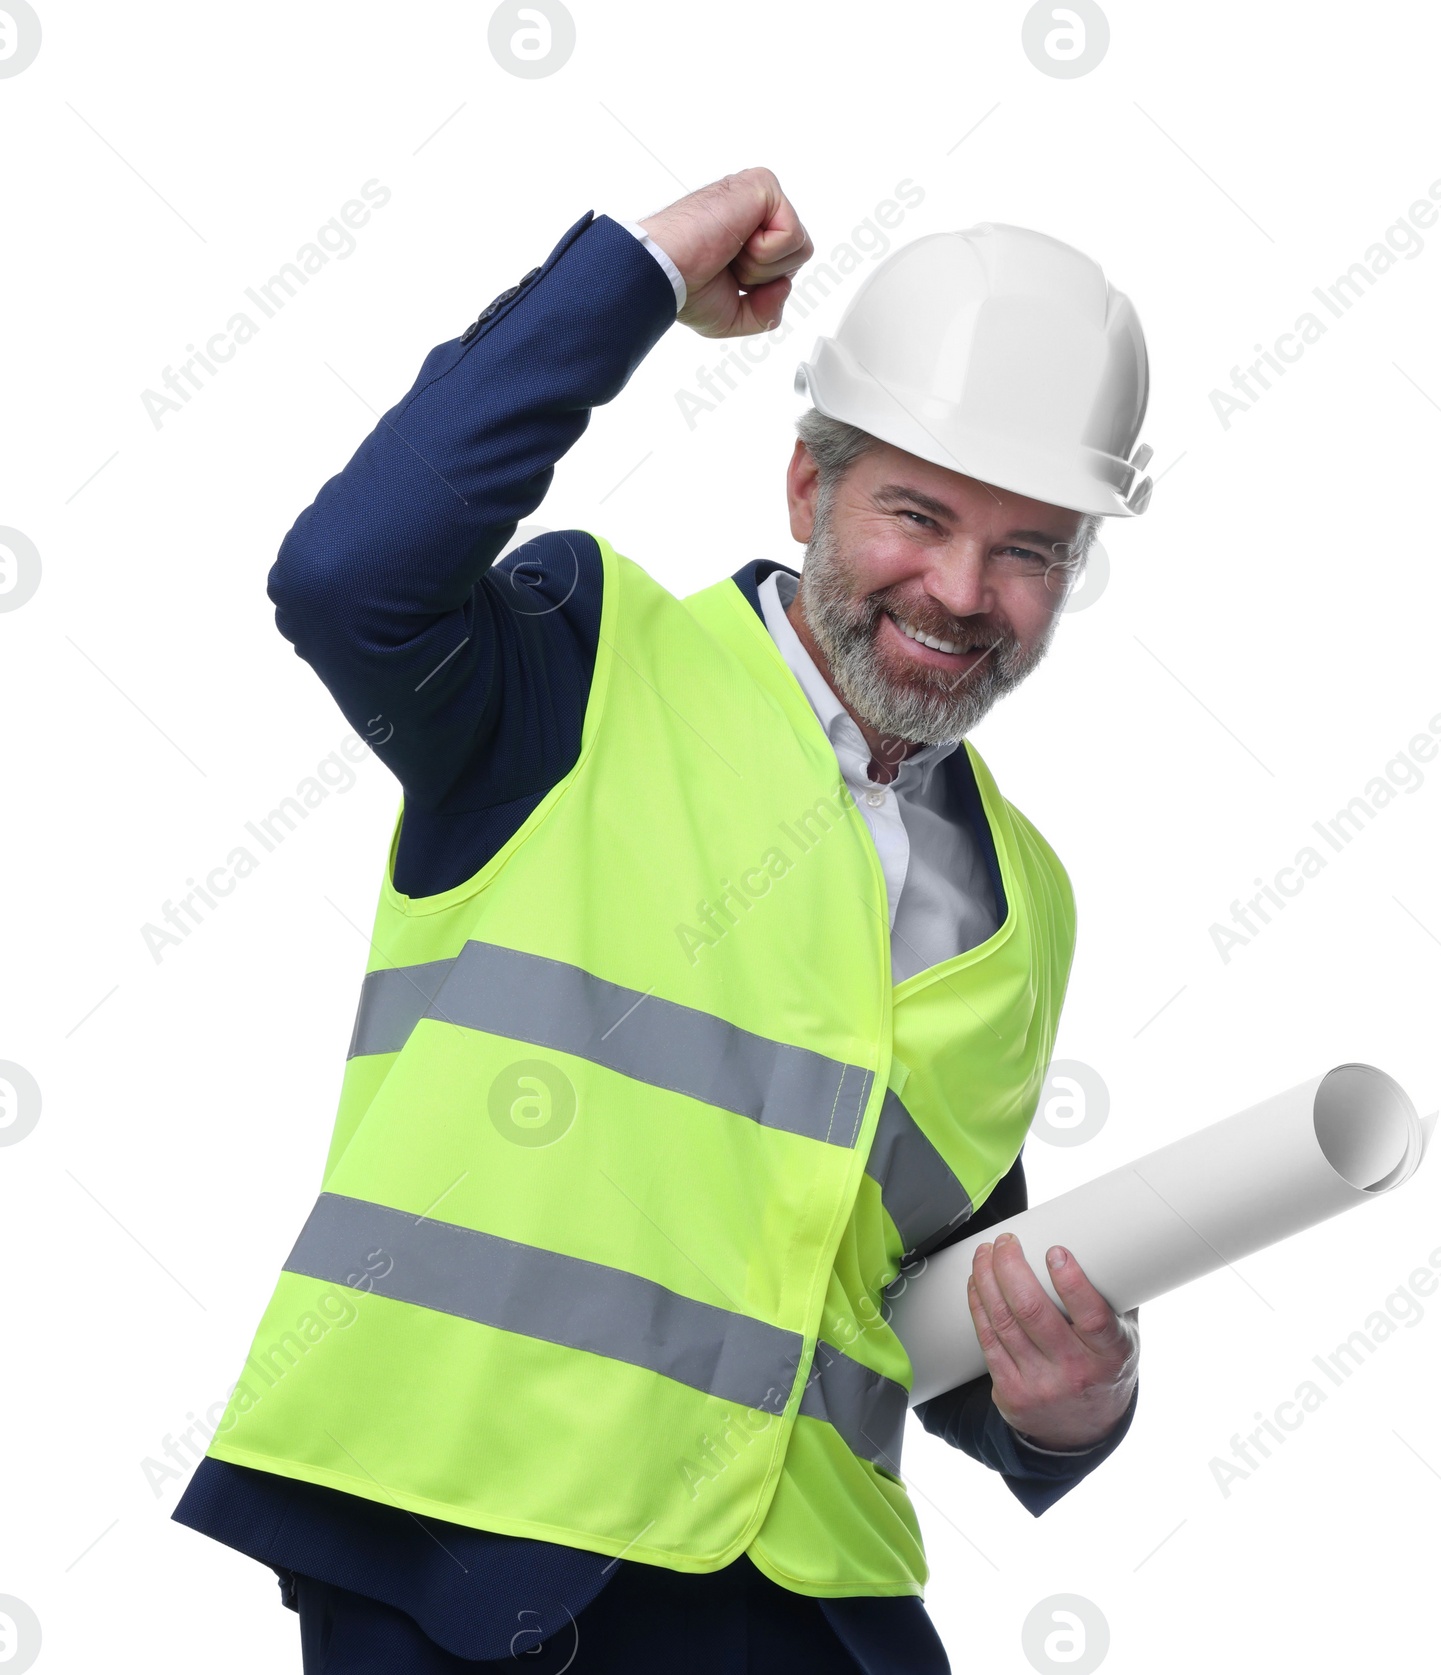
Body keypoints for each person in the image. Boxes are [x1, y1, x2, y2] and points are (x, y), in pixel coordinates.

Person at [173, 166, 1151, 1674]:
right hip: (461, 1549)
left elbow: (907, 1290)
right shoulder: (577, 666)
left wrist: (1065, 1410)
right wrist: (627, 280)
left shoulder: (1028, 899)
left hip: (811, 1599)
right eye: (919, 512)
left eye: (1029, 550)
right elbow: (346, 577)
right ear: (808, 488)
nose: (963, 589)